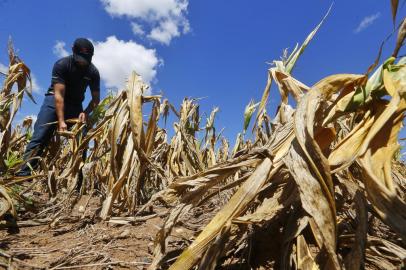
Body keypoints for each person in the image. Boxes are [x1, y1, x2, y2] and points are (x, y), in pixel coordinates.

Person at [16, 38, 100, 176]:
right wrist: (61, 121)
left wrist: (86, 112)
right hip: (54, 99)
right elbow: (59, 96)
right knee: (41, 135)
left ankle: (78, 184)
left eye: (86, 59)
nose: (82, 62)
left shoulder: (93, 72)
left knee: (82, 139)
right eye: (80, 58)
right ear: (73, 50)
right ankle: (23, 175)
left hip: (75, 105)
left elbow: (96, 100)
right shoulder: (62, 64)